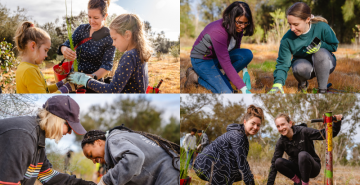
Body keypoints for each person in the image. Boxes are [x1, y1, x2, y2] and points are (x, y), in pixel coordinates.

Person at [0, 95, 95, 185]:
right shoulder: (23, 136)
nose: (70, 133)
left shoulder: (37, 138)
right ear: (57, 120)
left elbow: (48, 176)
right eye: (70, 127)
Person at [68, 13, 152, 93]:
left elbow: (113, 90)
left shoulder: (129, 56)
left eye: (114, 39)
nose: (113, 43)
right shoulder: (138, 53)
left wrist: (86, 80)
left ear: (127, 35)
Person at [268, 2, 339, 94]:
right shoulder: (287, 39)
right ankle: (302, 85)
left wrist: (320, 45)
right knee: (299, 67)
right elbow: (283, 63)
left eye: (296, 24)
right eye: (290, 24)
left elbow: (334, 46)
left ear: (307, 19)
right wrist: (278, 83)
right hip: (305, 68)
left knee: (320, 52)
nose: (292, 28)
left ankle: (323, 90)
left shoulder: (322, 27)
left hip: (326, 64)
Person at [184, 1, 254, 94]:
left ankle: (222, 81)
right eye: (240, 22)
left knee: (247, 54)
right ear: (230, 17)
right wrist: (243, 88)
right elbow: (226, 63)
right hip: (202, 60)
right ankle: (195, 77)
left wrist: (245, 70)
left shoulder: (238, 28)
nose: (243, 26)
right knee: (227, 92)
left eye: (246, 23)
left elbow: (237, 49)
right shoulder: (218, 31)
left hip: (217, 57)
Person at [81, 125, 180, 185]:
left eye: (90, 155)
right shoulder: (119, 139)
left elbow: (134, 158)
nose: (93, 161)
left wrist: (106, 181)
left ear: (98, 142)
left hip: (168, 174)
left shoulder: (113, 140)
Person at [194, 105, 264, 185]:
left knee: (239, 172)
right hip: (204, 165)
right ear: (245, 122)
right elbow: (242, 163)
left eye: (258, 125)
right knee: (240, 171)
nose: (255, 127)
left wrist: (250, 176)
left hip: (208, 165)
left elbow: (243, 161)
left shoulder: (241, 135)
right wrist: (250, 182)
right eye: (253, 123)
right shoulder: (238, 135)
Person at [267, 113, 342, 185]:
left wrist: (337, 123)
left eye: (283, 124)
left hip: (312, 168)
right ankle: (298, 181)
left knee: (302, 155)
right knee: (278, 162)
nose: (281, 128)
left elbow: (326, 134)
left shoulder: (303, 131)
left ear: (290, 124)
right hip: (298, 170)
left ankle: (305, 183)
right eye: (278, 126)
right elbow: (274, 165)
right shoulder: (281, 142)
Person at [58, 0, 116, 93]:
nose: (92, 21)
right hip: (73, 81)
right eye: (89, 17)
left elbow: (107, 66)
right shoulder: (82, 29)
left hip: (93, 86)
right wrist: (64, 49)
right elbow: (67, 44)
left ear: (105, 16)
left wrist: (88, 78)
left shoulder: (109, 37)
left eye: (96, 18)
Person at [15, 21, 76, 93]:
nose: (46, 55)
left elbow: (45, 89)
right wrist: (66, 88)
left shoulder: (26, 67)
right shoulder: (29, 71)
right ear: (33, 46)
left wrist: (62, 82)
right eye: (45, 50)